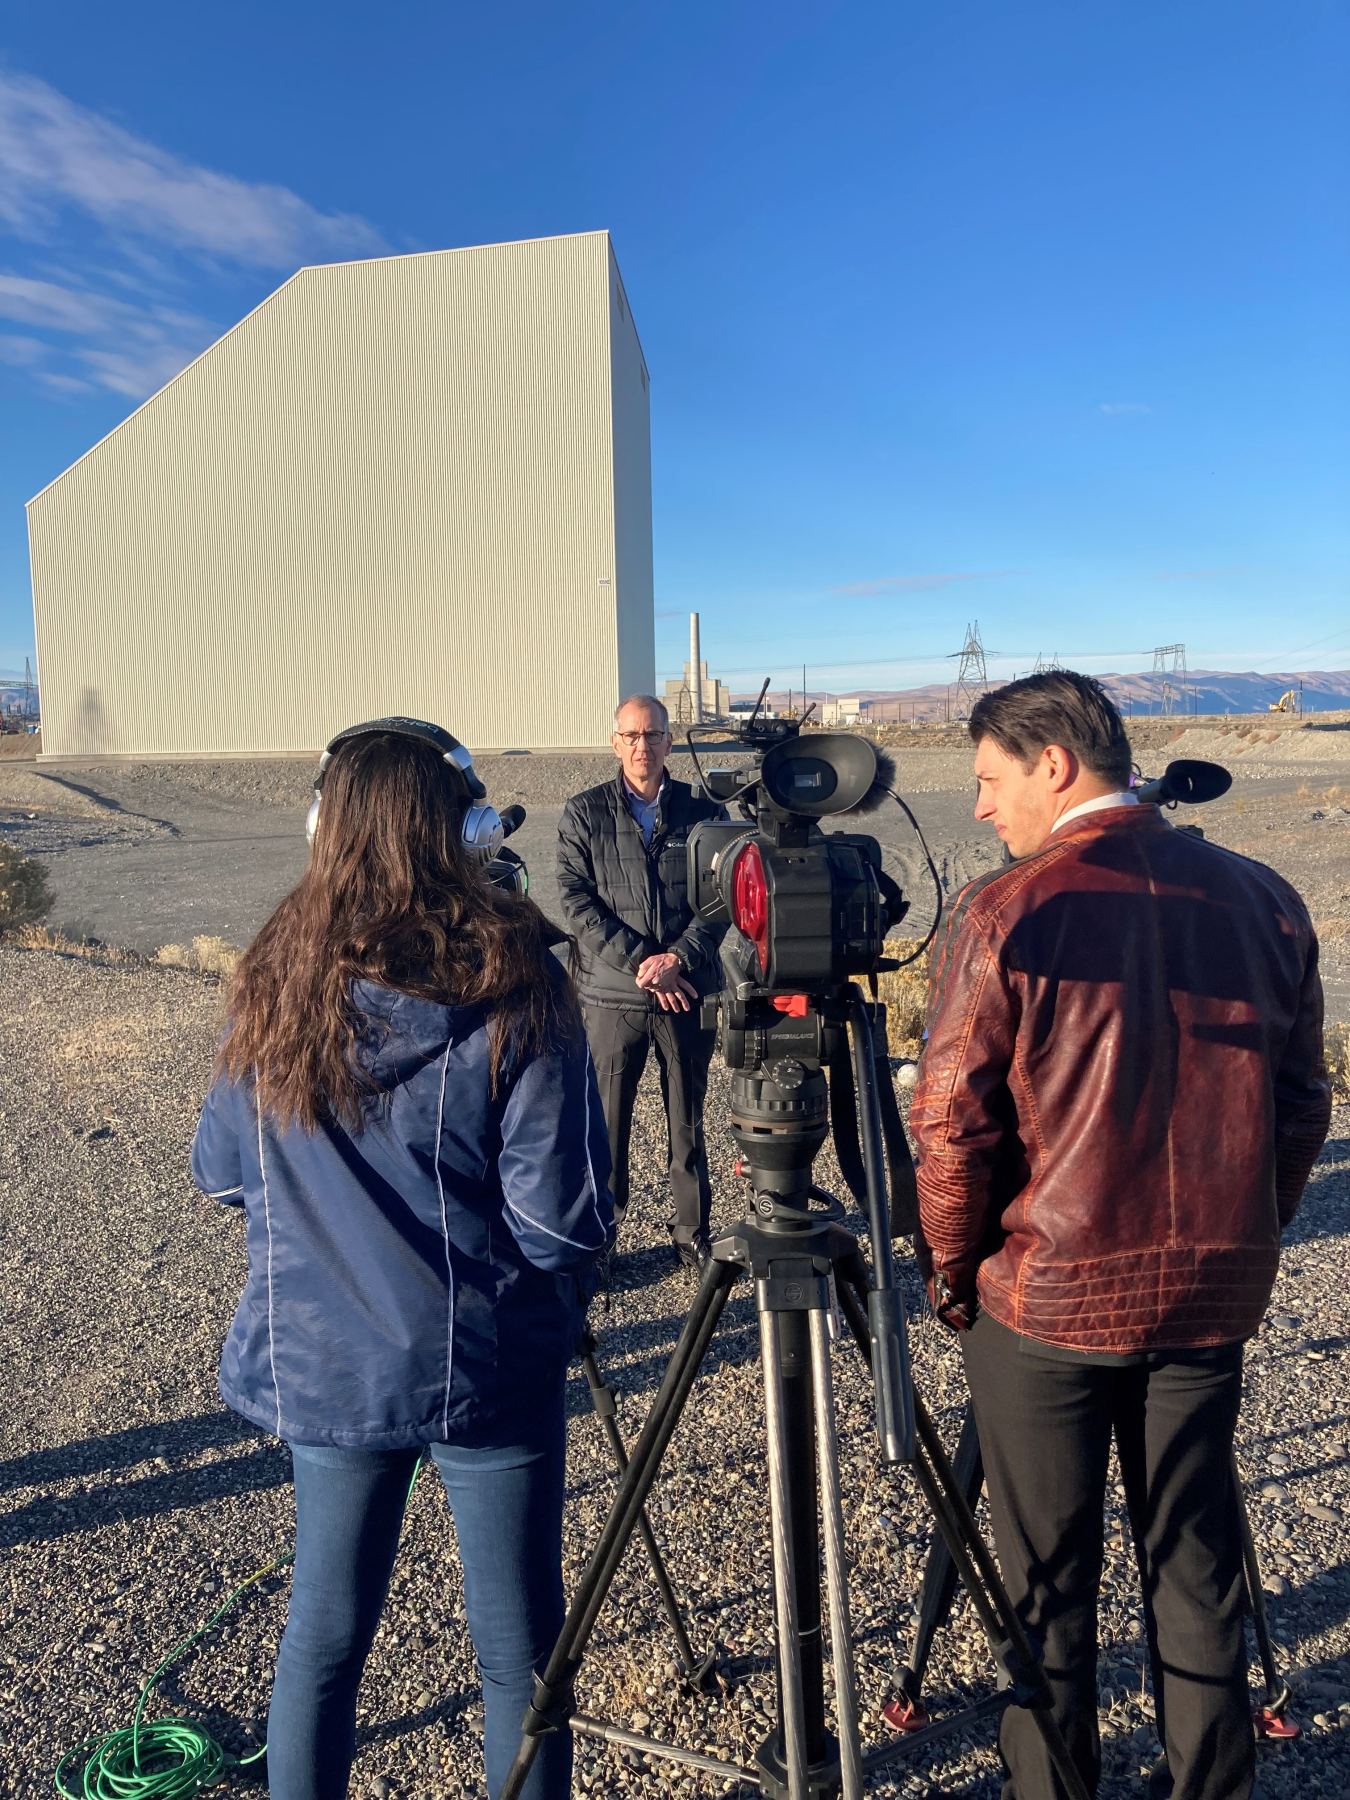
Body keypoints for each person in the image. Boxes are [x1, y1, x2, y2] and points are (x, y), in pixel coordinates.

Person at [908, 671, 1331, 1800]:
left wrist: (952, 1271)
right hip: (1205, 1300)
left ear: (1055, 765)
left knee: (1047, 1586)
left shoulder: (1010, 910)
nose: (984, 809)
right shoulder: (1268, 897)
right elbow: (1301, 1105)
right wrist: (1246, 1238)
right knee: (1196, 1571)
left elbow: (951, 1125)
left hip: (1048, 1304)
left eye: (993, 782)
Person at [191, 722, 612, 1800]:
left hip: (327, 1366)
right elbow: (558, 1225)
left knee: (323, 1639)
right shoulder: (521, 982)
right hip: (488, 1371)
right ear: (461, 828)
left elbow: (225, 1173)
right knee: (519, 1657)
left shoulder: (273, 977)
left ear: (325, 830)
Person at [557, 694, 727, 1271]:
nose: (642, 746)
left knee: (688, 1117)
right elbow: (576, 900)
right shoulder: (585, 814)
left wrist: (679, 957)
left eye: (652, 735)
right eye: (631, 736)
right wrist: (642, 964)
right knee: (606, 1122)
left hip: (686, 990)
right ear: (615, 743)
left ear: (669, 742)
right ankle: (603, 1238)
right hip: (613, 997)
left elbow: (723, 899)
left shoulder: (704, 814)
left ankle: (692, 1233)